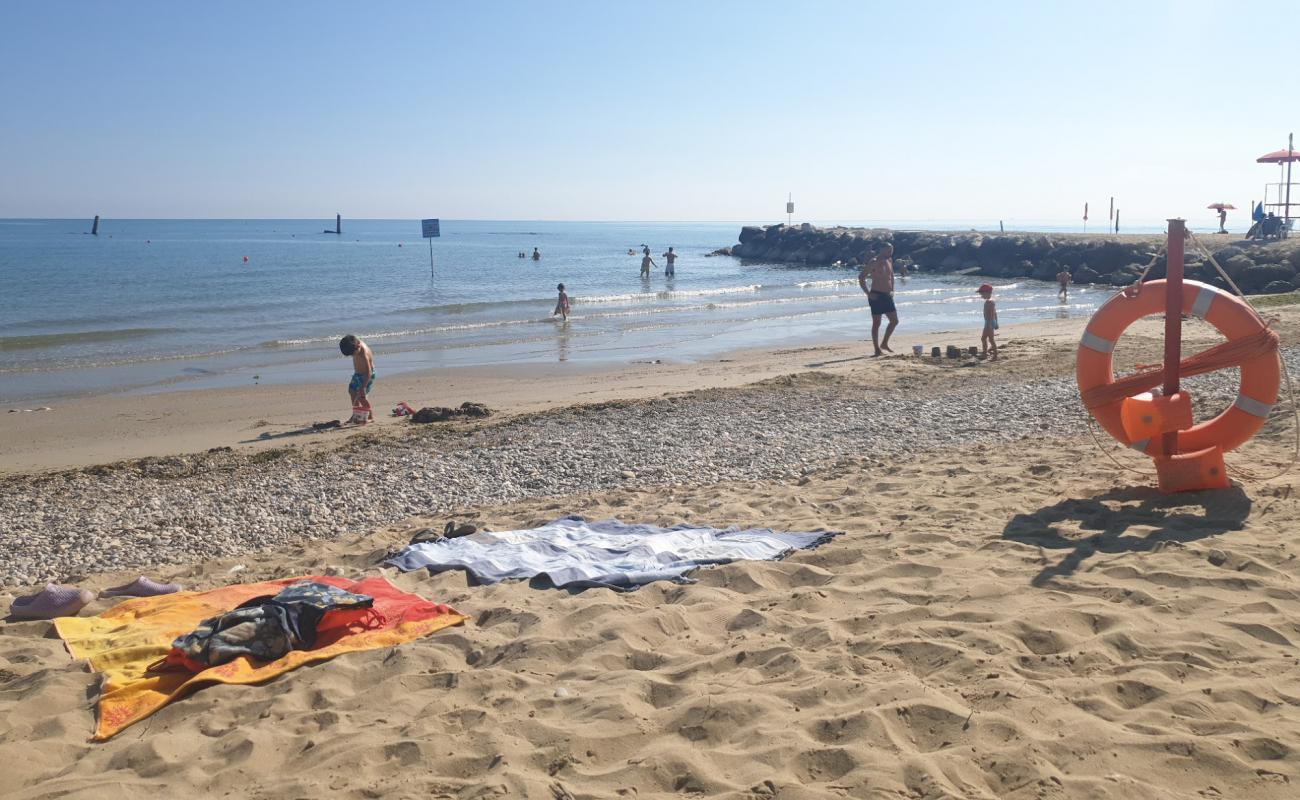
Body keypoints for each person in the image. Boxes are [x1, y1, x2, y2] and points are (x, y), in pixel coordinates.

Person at [858, 243, 897, 356]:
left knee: (894, 321)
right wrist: (868, 294)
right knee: (877, 323)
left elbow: (891, 275)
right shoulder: (874, 261)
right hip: (876, 295)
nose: (891, 253)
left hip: (887, 295)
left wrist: (892, 290)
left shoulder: (889, 260)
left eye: (892, 250)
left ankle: (884, 343)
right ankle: (877, 349)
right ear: (882, 250)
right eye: (889, 250)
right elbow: (861, 277)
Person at [339, 335, 375, 424]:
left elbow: (369, 372)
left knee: (361, 397)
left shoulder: (363, 354)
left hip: (366, 376)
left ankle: (370, 416)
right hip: (357, 375)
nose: (352, 356)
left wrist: (363, 387)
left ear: (358, 346)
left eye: (352, 354)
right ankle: (357, 413)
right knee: (352, 391)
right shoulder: (354, 344)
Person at [978, 283, 999, 360]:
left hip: (989, 322)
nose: (981, 296)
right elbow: (995, 313)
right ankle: (986, 353)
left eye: (982, 294)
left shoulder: (989, 302)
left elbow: (991, 314)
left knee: (988, 339)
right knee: (986, 339)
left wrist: (990, 325)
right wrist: (996, 322)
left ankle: (993, 355)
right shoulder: (989, 301)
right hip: (990, 322)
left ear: (987, 293)